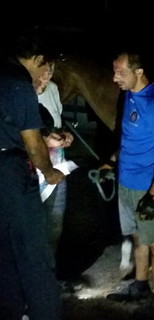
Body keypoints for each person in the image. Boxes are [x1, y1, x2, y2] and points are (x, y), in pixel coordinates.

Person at [0, 30, 65, 320]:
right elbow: (32, 143)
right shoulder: (18, 83)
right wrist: (49, 172)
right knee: (33, 251)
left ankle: (10, 309)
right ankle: (45, 312)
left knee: (4, 251)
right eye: (45, 67)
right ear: (38, 59)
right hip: (11, 173)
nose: (45, 74)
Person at [105, 51, 154, 316]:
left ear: (139, 72)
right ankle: (140, 285)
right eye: (114, 72)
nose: (114, 78)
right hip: (126, 182)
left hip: (146, 187)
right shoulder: (130, 96)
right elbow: (130, 140)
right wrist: (111, 161)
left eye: (120, 73)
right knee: (138, 237)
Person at [34, 70, 75, 254]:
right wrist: (45, 141)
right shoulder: (17, 93)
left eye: (50, 73)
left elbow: (56, 124)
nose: (46, 79)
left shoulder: (53, 89)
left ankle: (50, 276)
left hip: (57, 167)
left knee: (54, 227)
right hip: (30, 173)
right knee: (31, 228)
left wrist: (64, 135)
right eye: (41, 73)